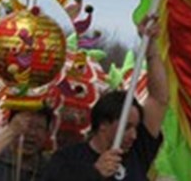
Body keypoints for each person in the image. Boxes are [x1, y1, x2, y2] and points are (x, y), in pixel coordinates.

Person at [42, 15, 168, 181]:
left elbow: (159, 100)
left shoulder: (137, 152)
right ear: (103, 124)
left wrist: (150, 46)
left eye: (136, 128)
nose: (134, 135)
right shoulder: (66, 160)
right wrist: (95, 173)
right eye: (127, 127)